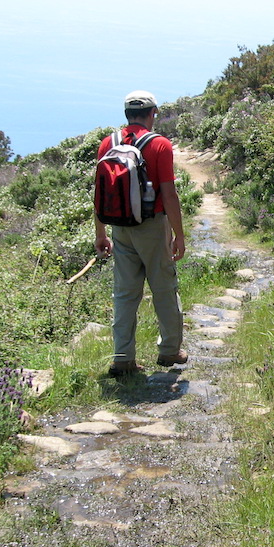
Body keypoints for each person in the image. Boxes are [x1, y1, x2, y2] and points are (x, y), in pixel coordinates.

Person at [94, 90, 188, 377]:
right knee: (163, 288)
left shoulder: (107, 144)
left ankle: (122, 358)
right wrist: (178, 234)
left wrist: (100, 234)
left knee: (124, 294)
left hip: (119, 227)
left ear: (126, 114)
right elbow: (169, 194)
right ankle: (170, 350)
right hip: (152, 226)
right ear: (153, 113)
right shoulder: (160, 145)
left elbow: (99, 193)